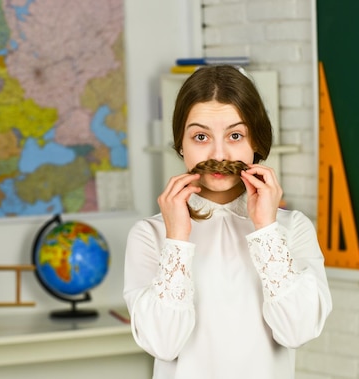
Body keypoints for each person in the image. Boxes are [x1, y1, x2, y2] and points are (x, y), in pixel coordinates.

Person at [123, 65, 332, 379]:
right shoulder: (150, 235)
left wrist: (266, 229)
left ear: (256, 143)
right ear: (181, 144)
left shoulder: (293, 229)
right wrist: (177, 238)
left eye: (235, 135)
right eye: (201, 136)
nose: (218, 153)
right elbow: (163, 345)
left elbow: (297, 331)